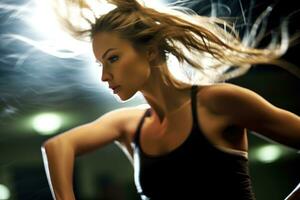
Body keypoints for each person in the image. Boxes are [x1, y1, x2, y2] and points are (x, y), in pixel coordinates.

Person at [40, 0, 300, 199]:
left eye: (113, 58)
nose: (104, 76)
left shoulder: (217, 102)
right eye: (100, 64)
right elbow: (58, 146)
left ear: (151, 52)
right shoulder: (130, 125)